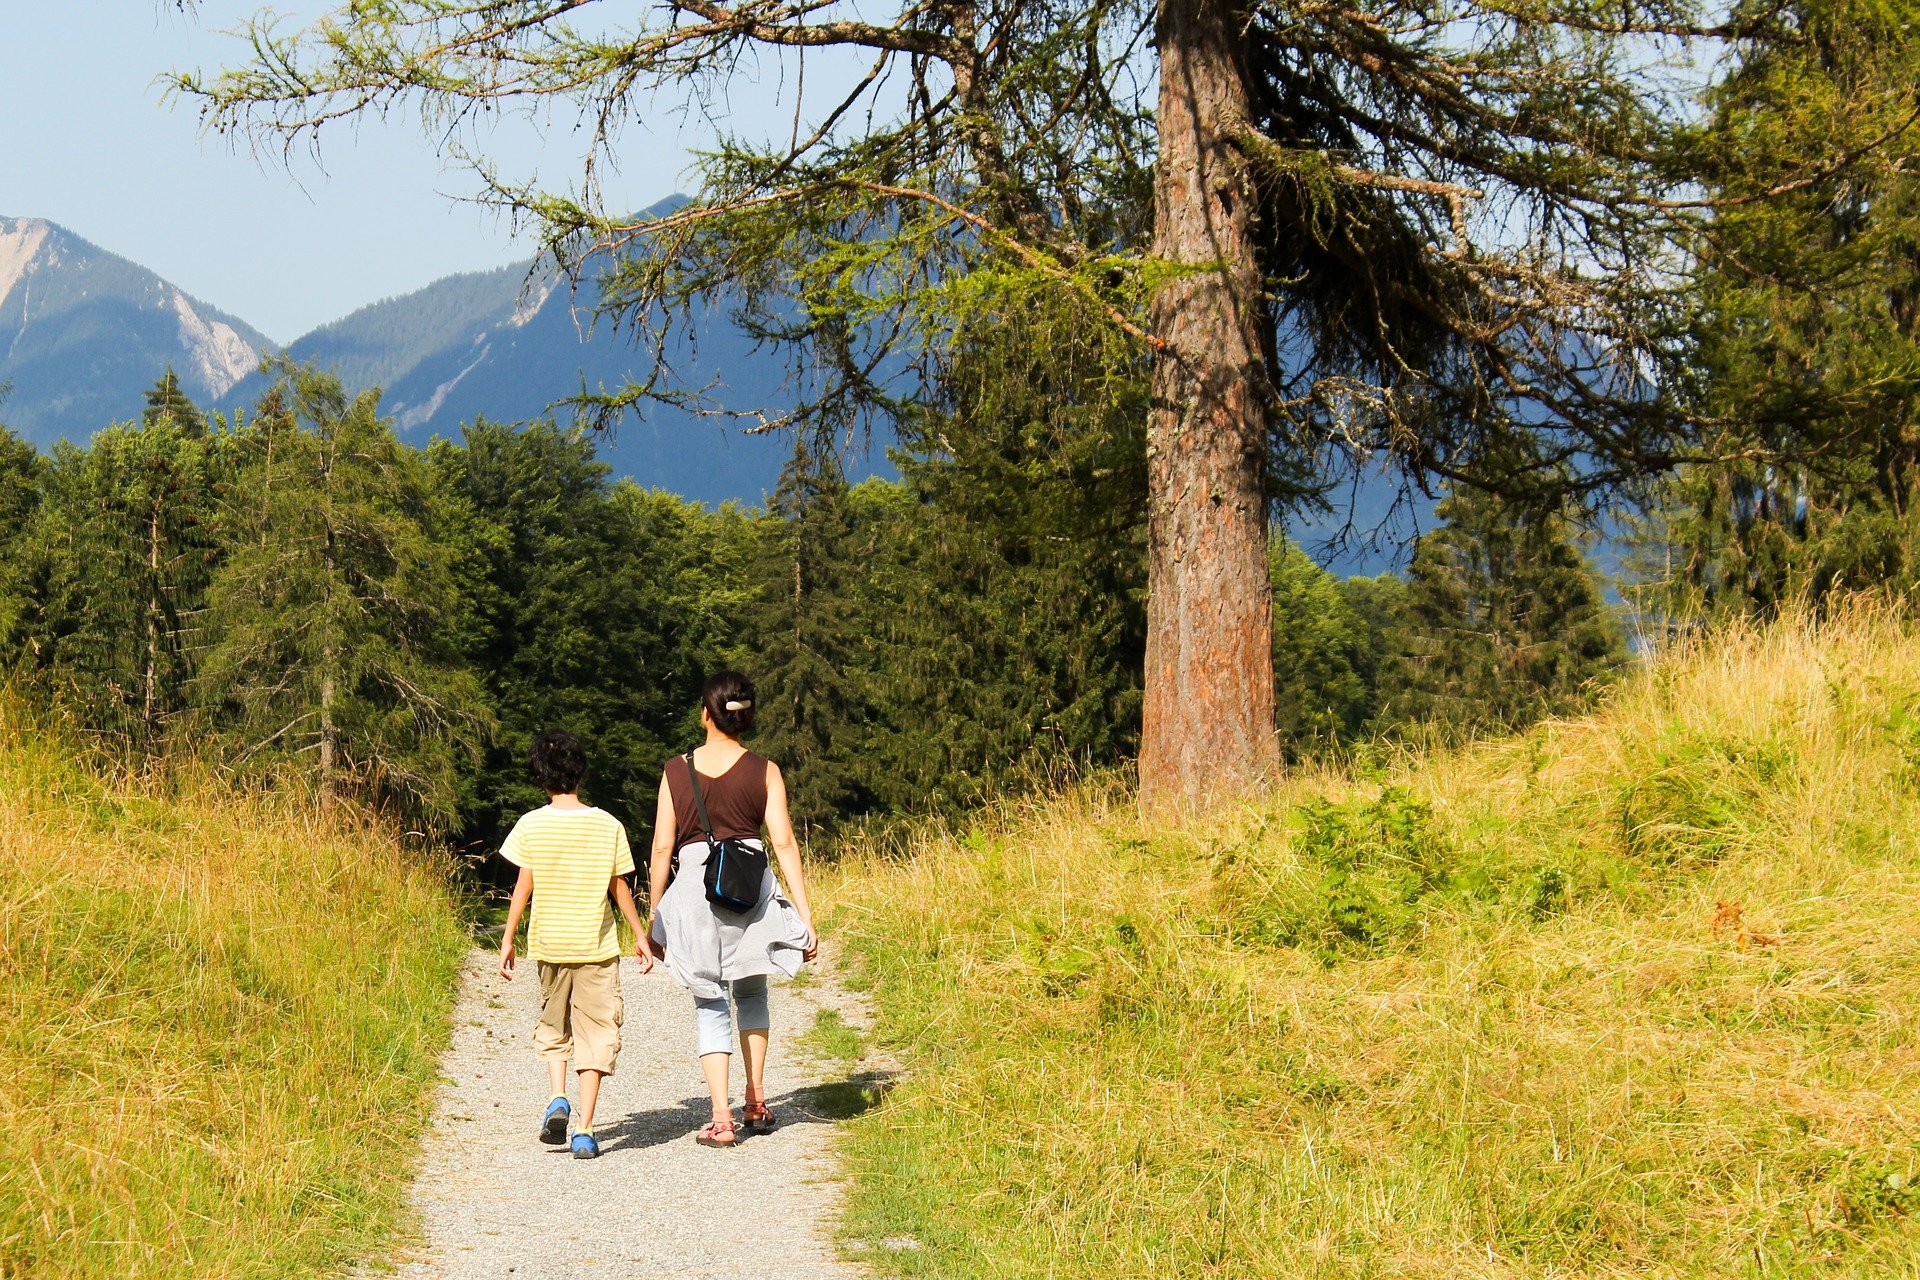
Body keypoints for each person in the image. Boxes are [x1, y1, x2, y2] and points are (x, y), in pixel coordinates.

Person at [648, 671, 818, 1148]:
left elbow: (662, 848)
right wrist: (804, 916)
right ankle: (757, 1101)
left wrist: (656, 915)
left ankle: (721, 1119)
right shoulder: (764, 769)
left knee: (709, 1002)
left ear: (706, 713)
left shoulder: (675, 769)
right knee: (751, 993)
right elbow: (783, 841)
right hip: (748, 882)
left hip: (696, 891)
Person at [498, 729, 653, 1160]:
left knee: (554, 1026)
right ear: (580, 771)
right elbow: (618, 888)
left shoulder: (531, 824)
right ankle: (584, 1127)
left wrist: (508, 938)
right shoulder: (607, 824)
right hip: (596, 948)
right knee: (597, 1033)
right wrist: (639, 937)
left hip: (549, 945)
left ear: (540, 776)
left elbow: (523, 884)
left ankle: (556, 1095)